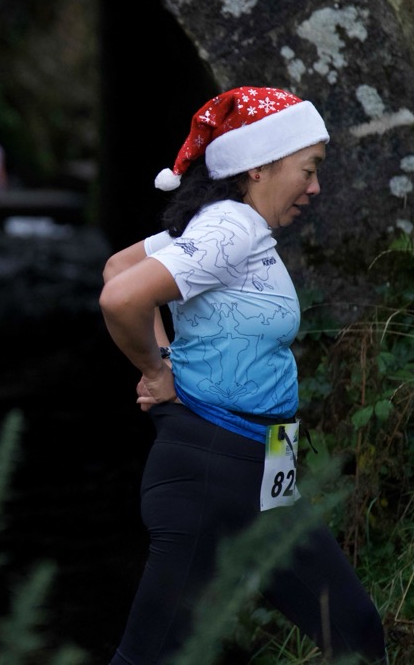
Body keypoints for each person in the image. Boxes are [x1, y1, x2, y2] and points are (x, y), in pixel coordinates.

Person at [100, 86, 385, 663]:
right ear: (258, 166)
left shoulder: (227, 226)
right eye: (309, 169)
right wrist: (157, 370)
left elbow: (119, 264)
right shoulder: (230, 228)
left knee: (354, 631)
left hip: (265, 468)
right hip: (212, 466)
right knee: (150, 655)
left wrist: (167, 360)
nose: (315, 187)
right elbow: (122, 295)